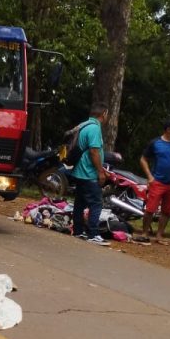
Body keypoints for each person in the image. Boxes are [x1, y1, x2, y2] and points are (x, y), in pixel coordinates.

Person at [138, 118, 170, 244]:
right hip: (158, 182)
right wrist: (150, 176)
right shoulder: (155, 143)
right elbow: (143, 159)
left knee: (167, 211)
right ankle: (144, 233)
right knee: (150, 209)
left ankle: (159, 235)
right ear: (169, 129)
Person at [70, 103, 110, 246]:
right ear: (103, 114)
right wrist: (100, 171)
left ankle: (78, 231)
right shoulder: (94, 128)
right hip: (88, 172)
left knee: (80, 203)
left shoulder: (84, 125)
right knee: (96, 203)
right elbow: (94, 151)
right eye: (107, 114)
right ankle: (93, 234)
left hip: (80, 171)